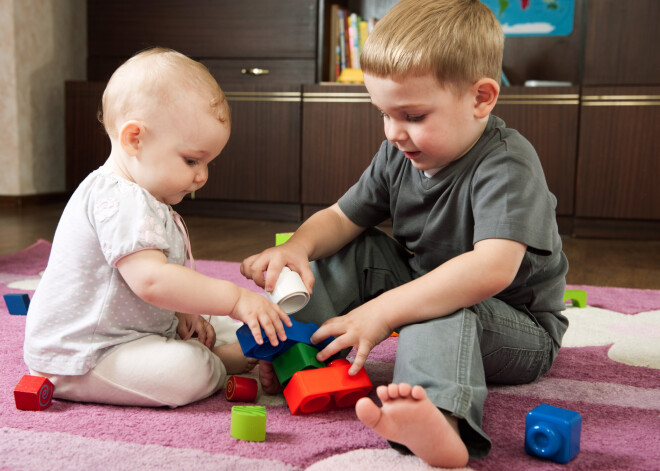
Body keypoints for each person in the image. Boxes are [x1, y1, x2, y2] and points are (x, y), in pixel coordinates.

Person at [240, 0, 569, 467]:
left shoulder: (507, 163)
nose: (395, 132)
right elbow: (340, 217)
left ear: (481, 98)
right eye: (384, 114)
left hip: (519, 330)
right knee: (355, 249)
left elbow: (490, 269)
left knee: (444, 304)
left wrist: (383, 310)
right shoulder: (398, 152)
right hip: (425, 284)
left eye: (412, 116)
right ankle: (289, 349)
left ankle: (440, 420)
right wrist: (297, 247)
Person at [24, 48, 291, 408]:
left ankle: (239, 347)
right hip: (84, 354)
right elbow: (151, 281)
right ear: (135, 139)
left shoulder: (145, 197)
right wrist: (236, 298)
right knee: (187, 369)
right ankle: (223, 362)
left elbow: (152, 282)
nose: (202, 176)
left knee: (222, 321)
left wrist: (184, 310)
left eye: (208, 162)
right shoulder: (119, 200)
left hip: (128, 332)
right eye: (192, 160)